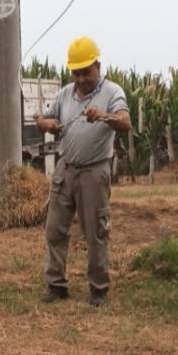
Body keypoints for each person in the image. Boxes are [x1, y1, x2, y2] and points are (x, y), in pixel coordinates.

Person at [35, 36, 131, 307]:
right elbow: (40, 118)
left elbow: (125, 122)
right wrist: (48, 124)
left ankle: (98, 289)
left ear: (97, 66)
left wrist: (103, 115)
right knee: (55, 230)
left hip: (94, 172)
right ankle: (56, 285)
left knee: (95, 233)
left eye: (85, 72)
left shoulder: (112, 93)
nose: (80, 79)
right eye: (76, 73)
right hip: (66, 170)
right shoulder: (65, 94)